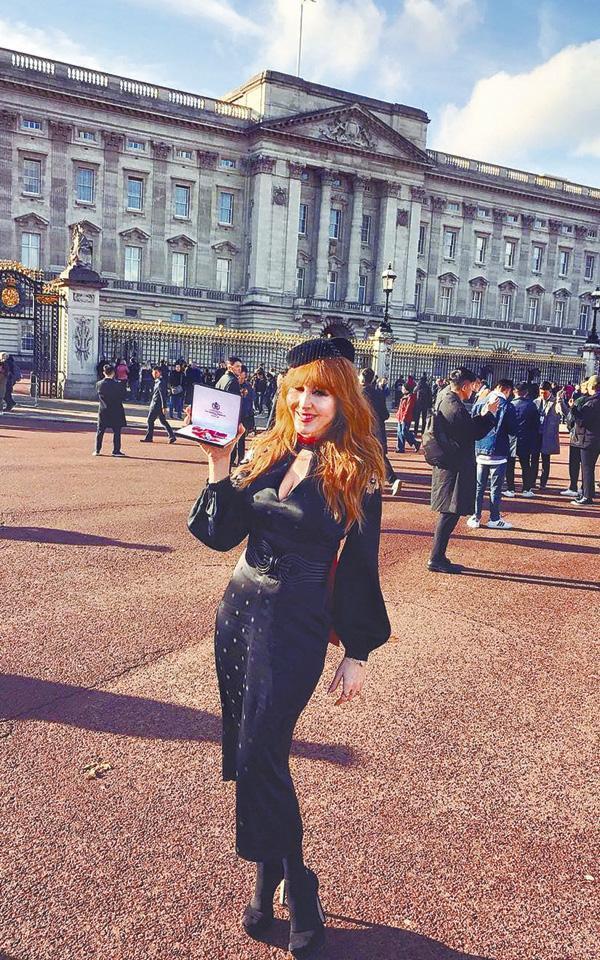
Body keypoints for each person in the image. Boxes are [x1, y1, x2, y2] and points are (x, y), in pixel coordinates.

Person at [187, 337, 390, 958]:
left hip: (296, 623)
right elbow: (219, 535)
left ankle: (299, 884)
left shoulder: (359, 472)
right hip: (238, 613)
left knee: (262, 753)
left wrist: (357, 650)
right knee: (251, 749)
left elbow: (361, 565)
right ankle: (267, 875)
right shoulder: (267, 451)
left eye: (320, 392)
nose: (305, 402)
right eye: (298, 389)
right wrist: (220, 465)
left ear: (343, 400)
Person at [428, 367, 499, 573]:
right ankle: (436, 558)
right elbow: (472, 433)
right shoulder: (455, 407)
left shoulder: (445, 396)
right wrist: (489, 413)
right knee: (449, 513)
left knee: (449, 512)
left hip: (449, 462)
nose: (473, 390)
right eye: (472, 386)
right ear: (465, 385)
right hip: (455, 465)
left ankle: (438, 556)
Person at [467, 379, 517, 530]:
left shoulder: (481, 401)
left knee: (479, 486)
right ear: (506, 390)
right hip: (499, 452)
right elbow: (513, 429)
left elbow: (473, 422)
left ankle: (475, 516)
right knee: (495, 488)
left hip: (480, 450)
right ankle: (494, 518)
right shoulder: (508, 406)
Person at [360, 367, 402, 496]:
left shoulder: (358, 393)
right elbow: (385, 415)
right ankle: (392, 480)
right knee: (379, 456)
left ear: (362, 378)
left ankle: (367, 485)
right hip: (377, 430)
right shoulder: (378, 394)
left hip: (362, 429)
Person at [567, 374, 600, 505]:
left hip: (589, 438)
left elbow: (582, 421)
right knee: (589, 468)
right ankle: (589, 492)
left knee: (587, 468)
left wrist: (573, 409)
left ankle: (587, 496)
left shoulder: (592, 402)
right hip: (595, 438)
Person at [505, 383, 540, 498]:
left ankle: (510, 488)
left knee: (510, 465)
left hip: (511, 438)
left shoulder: (509, 405)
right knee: (525, 465)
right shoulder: (531, 405)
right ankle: (526, 489)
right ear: (526, 392)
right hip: (526, 439)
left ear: (514, 391)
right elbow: (536, 424)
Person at [532, 381, 562, 489]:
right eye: (541, 393)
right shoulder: (535, 401)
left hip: (547, 435)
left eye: (544, 393)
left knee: (545, 460)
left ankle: (543, 482)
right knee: (534, 459)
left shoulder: (555, 402)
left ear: (550, 391)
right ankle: (532, 481)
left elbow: (564, 413)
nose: (542, 395)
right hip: (536, 434)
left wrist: (560, 403)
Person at [94, 364, 127, 456]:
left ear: (104, 373)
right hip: (116, 410)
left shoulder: (99, 384)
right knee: (117, 431)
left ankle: (97, 450)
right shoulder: (118, 384)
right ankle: (116, 450)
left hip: (103, 410)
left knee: (100, 431)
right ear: (113, 373)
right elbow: (123, 396)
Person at [140, 366, 176, 444]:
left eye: (156, 372)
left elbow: (162, 395)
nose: (154, 374)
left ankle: (149, 437)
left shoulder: (160, 382)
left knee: (150, 420)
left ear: (159, 373)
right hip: (157, 404)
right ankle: (172, 436)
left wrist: (164, 406)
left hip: (156, 405)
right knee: (163, 421)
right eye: (154, 372)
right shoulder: (159, 381)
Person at [395, 385, 420, 454]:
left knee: (404, 432)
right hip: (401, 416)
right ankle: (400, 448)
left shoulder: (410, 397)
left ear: (406, 389)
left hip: (406, 417)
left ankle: (415, 442)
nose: (402, 390)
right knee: (399, 432)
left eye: (403, 388)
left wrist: (404, 417)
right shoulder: (404, 396)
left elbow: (408, 408)